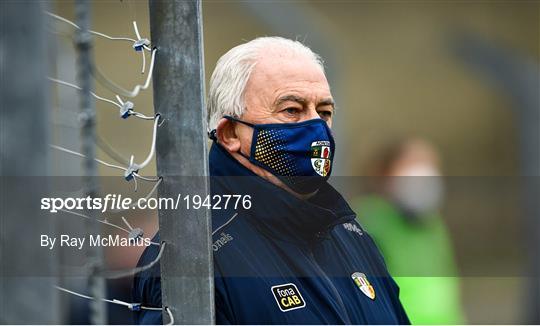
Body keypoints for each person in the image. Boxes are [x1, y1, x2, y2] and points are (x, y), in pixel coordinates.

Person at [133, 37, 409, 324]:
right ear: (230, 134)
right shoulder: (192, 254)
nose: (315, 126)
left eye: (324, 112)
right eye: (291, 110)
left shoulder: (350, 234)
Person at [352, 139, 466, 324]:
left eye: (429, 165)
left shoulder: (434, 225)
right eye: (412, 164)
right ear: (384, 174)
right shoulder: (368, 223)